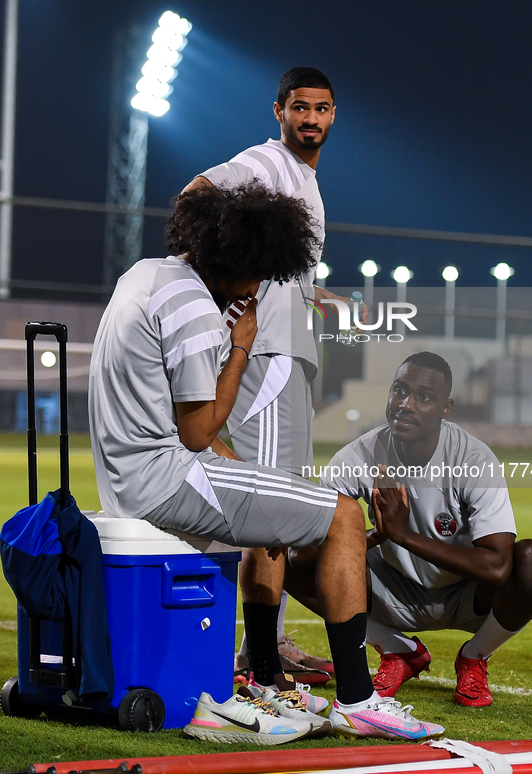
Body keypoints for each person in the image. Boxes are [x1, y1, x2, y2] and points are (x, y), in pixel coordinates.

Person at [88, 184, 444, 742]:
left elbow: (186, 432)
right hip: (165, 480)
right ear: (238, 260)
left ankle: (262, 675)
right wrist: (241, 347)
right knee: (343, 515)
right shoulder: (192, 310)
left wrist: (262, 484)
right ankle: (358, 699)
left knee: (275, 510)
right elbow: (199, 430)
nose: (257, 288)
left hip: (130, 475)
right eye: (259, 274)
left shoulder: (145, 275)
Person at [183, 66, 346, 680]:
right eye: (299, 108)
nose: (310, 119)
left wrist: (304, 293)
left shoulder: (302, 179)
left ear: (335, 115)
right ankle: (260, 654)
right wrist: (217, 288)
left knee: (274, 502)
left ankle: (266, 641)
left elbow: (282, 269)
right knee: (272, 504)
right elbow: (196, 196)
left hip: (284, 351)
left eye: (322, 109)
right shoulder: (268, 163)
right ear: (278, 111)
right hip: (270, 361)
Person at [301, 351, 532, 707]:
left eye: (424, 397)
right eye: (399, 390)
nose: (406, 404)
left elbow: (497, 566)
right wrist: (378, 535)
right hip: (390, 588)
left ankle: (475, 656)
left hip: (465, 594)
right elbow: (309, 543)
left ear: (445, 408)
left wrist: (404, 536)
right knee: (294, 561)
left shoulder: (472, 459)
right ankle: (397, 649)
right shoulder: (357, 457)